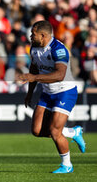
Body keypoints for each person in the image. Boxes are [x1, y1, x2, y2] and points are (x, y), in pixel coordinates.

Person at [17, 20, 86, 174]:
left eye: (33, 34)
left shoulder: (59, 49)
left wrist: (34, 78)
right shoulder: (34, 47)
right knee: (36, 130)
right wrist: (29, 93)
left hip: (65, 92)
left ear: (43, 35)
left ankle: (67, 165)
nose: (30, 37)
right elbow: (34, 68)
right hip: (47, 92)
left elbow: (60, 74)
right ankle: (72, 132)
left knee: (55, 131)